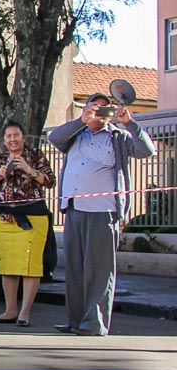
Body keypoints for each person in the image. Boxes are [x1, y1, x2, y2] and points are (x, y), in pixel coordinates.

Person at [48, 93, 155, 336]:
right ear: (85, 109)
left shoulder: (118, 137)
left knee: (99, 270)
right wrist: (80, 121)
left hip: (103, 211)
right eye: (93, 107)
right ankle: (75, 320)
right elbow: (54, 137)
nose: (98, 112)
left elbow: (146, 150)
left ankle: (94, 323)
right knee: (74, 268)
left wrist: (130, 122)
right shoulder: (75, 134)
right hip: (74, 209)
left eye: (104, 109)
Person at [0, 121, 57, 328]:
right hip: (5, 218)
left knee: (30, 266)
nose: (13, 140)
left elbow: (50, 181)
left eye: (16, 135)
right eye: (9, 136)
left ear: (23, 138)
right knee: (8, 265)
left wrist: (29, 169)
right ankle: (10, 310)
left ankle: (24, 313)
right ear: (4, 140)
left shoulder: (36, 156)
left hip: (32, 217)